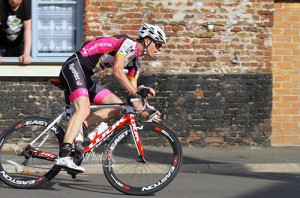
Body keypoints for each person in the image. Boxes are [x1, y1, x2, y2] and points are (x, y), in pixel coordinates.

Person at [54, 24, 167, 172]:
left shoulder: (136, 64)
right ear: (147, 41)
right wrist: (138, 93)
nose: (159, 49)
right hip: (74, 66)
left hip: (84, 75)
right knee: (83, 108)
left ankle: (79, 128)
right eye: (158, 44)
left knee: (117, 106)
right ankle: (64, 155)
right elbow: (117, 71)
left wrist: (148, 113)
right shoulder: (128, 44)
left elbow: (133, 97)